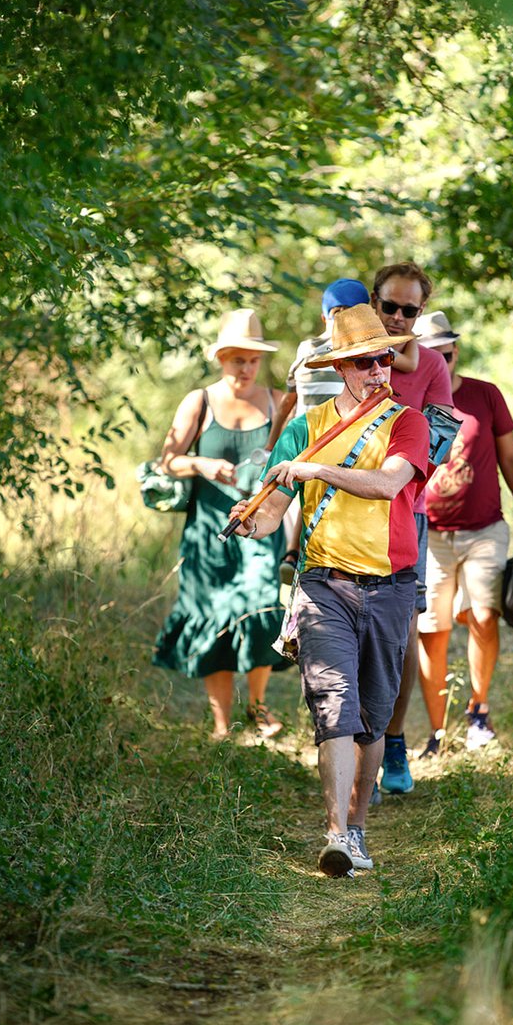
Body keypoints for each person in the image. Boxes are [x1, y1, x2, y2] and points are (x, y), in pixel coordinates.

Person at [227, 303, 428, 877]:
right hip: (323, 589)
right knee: (334, 710)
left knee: (370, 718)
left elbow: (390, 484)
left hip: (390, 589)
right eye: (365, 362)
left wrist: (318, 472)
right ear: (341, 368)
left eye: (384, 360)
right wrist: (252, 520)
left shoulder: (406, 423)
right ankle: (337, 833)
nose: (378, 371)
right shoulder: (304, 428)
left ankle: (359, 828)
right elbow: (273, 513)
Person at [152, 308, 289, 740]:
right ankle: (219, 723)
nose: (246, 369)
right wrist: (203, 464)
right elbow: (167, 460)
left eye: (253, 360)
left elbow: (292, 463)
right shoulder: (200, 401)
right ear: (221, 358)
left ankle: (258, 708)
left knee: (260, 609)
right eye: (237, 360)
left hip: (259, 530)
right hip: (208, 532)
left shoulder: (277, 401)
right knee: (212, 617)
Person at [414, 310, 513, 751]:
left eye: (446, 355)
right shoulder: (411, 399)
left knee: (484, 616)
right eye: (430, 356)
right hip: (428, 534)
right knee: (433, 631)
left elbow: (510, 458)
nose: (440, 364)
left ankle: (478, 711)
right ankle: (437, 731)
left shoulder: (485, 396)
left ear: (456, 351)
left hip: (485, 528)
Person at [368, 262, 454, 797]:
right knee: (340, 632)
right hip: (337, 512)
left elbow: (439, 447)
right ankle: (355, 745)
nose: (398, 317)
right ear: (373, 302)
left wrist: (393, 465)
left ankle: (392, 740)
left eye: (410, 311)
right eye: (390, 306)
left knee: (397, 636)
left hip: (407, 515)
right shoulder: (342, 353)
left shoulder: (430, 369)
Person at [268, 278, 371, 585]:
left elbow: (288, 399)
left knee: (298, 489)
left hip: (323, 432)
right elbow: (289, 399)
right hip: (319, 431)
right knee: (301, 487)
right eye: (340, 312)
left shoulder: (311, 349)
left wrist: (272, 441)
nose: (344, 319)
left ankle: (292, 552)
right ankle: (292, 552)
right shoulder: (330, 349)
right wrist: (273, 441)